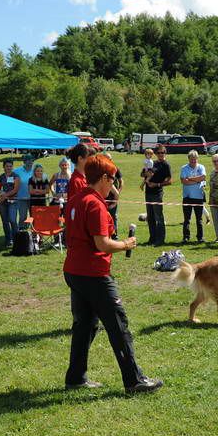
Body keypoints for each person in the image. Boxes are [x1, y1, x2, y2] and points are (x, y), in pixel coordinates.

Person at [62, 154, 162, 393]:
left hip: (74, 271)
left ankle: (75, 377)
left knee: (85, 325)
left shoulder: (76, 199)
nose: (114, 185)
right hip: (93, 274)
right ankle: (134, 380)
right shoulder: (95, 204)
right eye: (113, 180)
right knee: (118, 324)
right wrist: (126, 244)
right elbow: (102, 244)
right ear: (104, 178)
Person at [144, 144, 171, 246]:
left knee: (158, 217)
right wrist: (145, 174)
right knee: (150, 217)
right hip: (148, 193)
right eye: (159, 153)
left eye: (163, 152)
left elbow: (169, 181)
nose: (161, 154)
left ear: (165, 153)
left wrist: (157, 184)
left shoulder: (166, 165)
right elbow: (142, 174)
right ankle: (152, 239)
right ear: (156, 154)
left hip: (157, 194)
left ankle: (160, 240)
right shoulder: (152, 163)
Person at [179, 150, 206, 243]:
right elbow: (183, 181)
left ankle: (200, 238)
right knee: (187, 219)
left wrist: (189, 179)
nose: (193, 162)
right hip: (187, 197)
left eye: (195, 160)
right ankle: (186, 237)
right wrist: (196, 180)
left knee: (199, 219)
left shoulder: (201, 167)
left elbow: (203, 177)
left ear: (197, 159)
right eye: (191, 160)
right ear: (188, 159)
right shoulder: (184, 168)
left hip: (199, 197)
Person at [0, 159, 21, 248]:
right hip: (2, 203)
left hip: (13, 201)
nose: (9, 168)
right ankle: (8, 240)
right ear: (4, 167)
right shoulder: (0, 177)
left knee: (13, 220)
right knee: (5, 222)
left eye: (10, 166)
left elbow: (15, 189)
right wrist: (1, 193)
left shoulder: (16, 177)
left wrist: (5, 195)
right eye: (7, 166)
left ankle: (17, 239)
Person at [103, 154, 122, 238]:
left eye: (109, 159)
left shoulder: (115, 169)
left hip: (113, 196)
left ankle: (114, 233)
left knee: (113, 215)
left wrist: (118, 191)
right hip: (103, 197)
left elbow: (121, 181)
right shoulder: (101, 170)